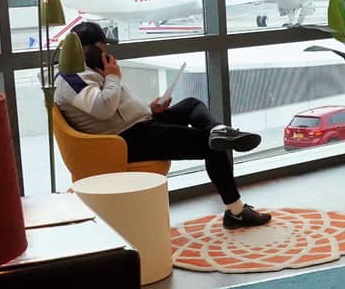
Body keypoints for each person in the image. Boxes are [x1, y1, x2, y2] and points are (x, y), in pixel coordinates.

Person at [54, 21, 271, 229]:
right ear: (87, 49)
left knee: (191, 105)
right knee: (212, 146)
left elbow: (117, 111)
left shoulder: (88, 71)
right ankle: (236, 212)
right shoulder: (71, 79)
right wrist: (113, 78)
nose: (108, 52)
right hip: (125, 140)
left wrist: (151, 109)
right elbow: (103, 109)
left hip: (137, 125)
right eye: (104, 47)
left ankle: (218, 130)